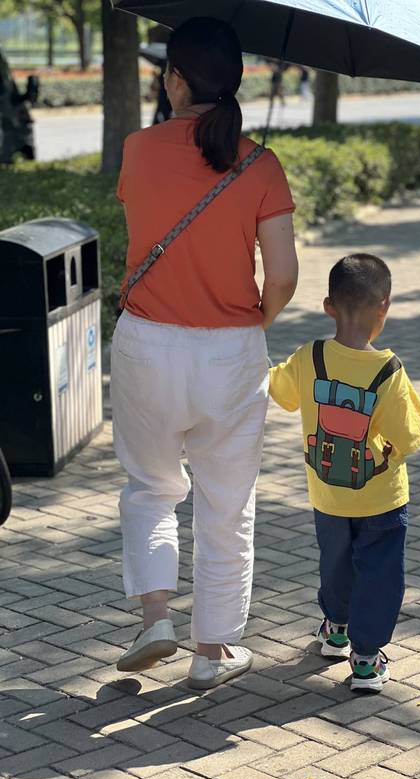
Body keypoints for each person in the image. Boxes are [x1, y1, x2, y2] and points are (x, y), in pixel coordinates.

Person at [112, 17, 298, 689]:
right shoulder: (261, 164)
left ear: (176, 81)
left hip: (147, 343)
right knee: (227, 504)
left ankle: (155, 618)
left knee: (151, 488)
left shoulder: (138, 150)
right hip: (230, 352)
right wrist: (252, 325)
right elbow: (283, 275)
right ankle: (211, 652)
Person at [269, 254, 420, 692]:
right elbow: (408, 435)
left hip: (328, 495)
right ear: (385, 306)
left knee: (336, 564)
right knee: (379, 574)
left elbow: (279, 390)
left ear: (328, 306)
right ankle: (365, 659)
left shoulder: (309, 357)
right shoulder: (389, 371)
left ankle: (336, 629)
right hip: (381, 498)